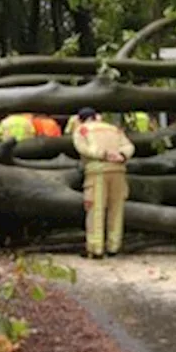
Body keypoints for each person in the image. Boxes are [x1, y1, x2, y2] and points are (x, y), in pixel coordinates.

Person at [71, 107, 134, 259]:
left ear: (81, 119)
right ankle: (114, 246)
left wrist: (104, 155)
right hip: (118, 171)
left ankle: (96, 248)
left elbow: (83, 149)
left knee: (96, 209)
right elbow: (129, 146)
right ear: (97, 117)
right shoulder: (114, 129)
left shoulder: (82, 130)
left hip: (97, 172)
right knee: (116, 209)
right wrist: (121, 156)